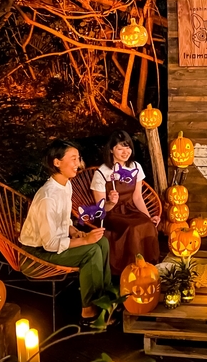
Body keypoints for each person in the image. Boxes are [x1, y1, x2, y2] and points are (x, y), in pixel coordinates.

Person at [19, 139, 113, 323]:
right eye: (73, 158)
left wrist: (73, 230)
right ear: (57, 162)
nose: (78, 163)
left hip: (55, 242)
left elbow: (62, 219)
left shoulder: (66, 185)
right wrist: (84, 241)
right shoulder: (48, 198)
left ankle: (106, 297)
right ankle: (89, 311)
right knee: (91, 250)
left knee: (102, 241)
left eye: (78, 158)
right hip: (36, 253)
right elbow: (50, 244)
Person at [90, 130, 160, 275]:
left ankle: (149, 268)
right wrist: (111, 202)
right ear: (111, 150)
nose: (125, 152)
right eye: (120, 148)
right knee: (133, 228)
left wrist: (148, 217)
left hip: (130, 209)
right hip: (111, 214)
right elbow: (101, 209)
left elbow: (137, 197)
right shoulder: (102, 173)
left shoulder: (135, 167)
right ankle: (132, 271)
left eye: (127, 147)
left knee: (147, 224)